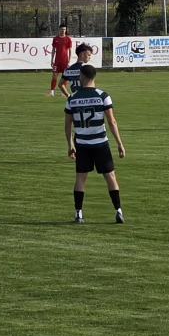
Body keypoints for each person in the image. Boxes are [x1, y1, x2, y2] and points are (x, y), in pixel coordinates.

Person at [64, 64, 126, 224]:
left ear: (82, 77)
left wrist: (70, 145)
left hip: (82, 144)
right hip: (100, 143)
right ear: (94, 77)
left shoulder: (72, 98)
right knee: (110, 176)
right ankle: (118, 211)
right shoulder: (103, 96)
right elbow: (112, 122)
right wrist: (119, 143)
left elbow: (67, 125)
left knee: (80, 178)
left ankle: (78, 214)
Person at [47, 24, 73, 97]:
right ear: (59, 29)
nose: (63, 31)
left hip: (65, 61)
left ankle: (63, 92)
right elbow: (53, 50)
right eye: (62, 29)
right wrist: (52, 60)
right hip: (57, 61)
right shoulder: (55, 39)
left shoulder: (68, 39)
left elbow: (70, 50)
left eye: (64, 29)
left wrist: (69, 61)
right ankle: (52, 92)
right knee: (54, 76)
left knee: (64, 77)